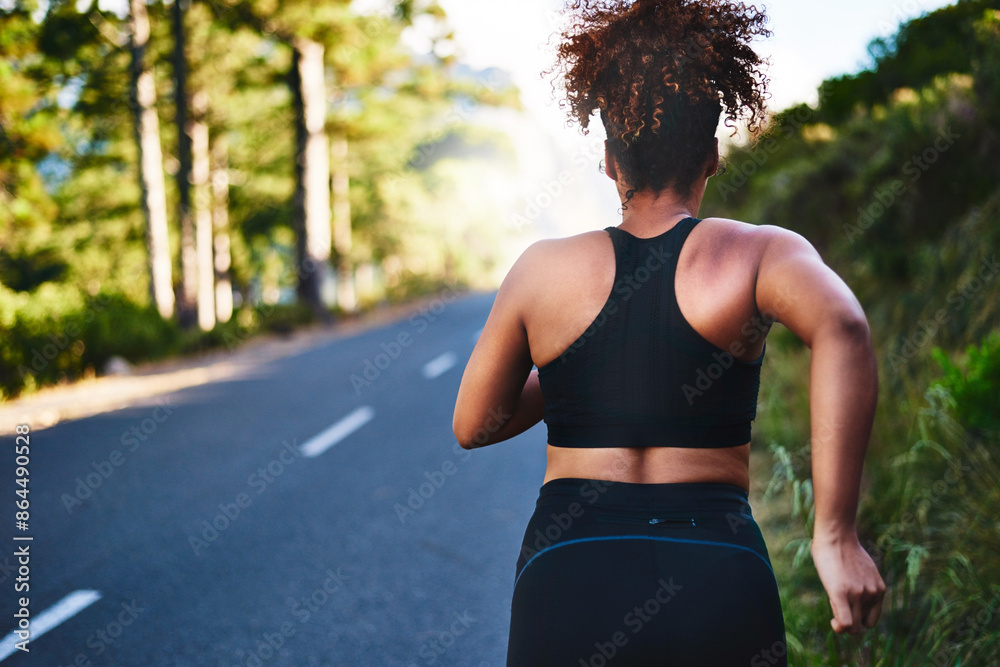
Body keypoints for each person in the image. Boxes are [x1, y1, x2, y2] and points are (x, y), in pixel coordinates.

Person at [452, 0, 886, 663]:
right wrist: (836, 534)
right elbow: (844, 327)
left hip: (569, 572)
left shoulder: (542, 270)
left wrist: (578, 371)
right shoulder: (759, 253)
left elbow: (474, 423)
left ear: (607, 160)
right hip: (714, 569)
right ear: (711, 155)